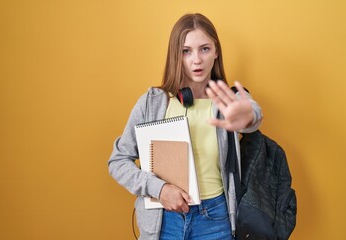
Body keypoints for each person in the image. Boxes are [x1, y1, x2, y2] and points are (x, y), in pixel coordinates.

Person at [108, 13, 262, 240]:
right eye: (186, 51)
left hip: (215, 220)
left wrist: (247, 117)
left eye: (205, 49)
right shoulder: (153, 102)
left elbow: (253, 113)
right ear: (175, 55)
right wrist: (158, 189)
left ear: (216, 51)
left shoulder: (229, 100)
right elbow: (118, 161)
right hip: (163, 221)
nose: (196, 60)